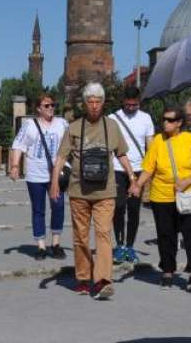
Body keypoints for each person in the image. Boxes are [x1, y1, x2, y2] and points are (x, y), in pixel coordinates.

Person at [50, 81, 135, 299]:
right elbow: (61, 156)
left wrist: (132, 177)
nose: (94, 106)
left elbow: (122, 154)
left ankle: (103, 280)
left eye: (98, 101)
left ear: (103, 103)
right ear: (85, 104)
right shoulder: (75, 127)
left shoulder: (112, 126)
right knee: (80, 236)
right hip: (79, 190)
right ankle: (82, 277)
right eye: (90, 102)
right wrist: (54, 182)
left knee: (104, 234)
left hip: (106, 191)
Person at [132, 104, 191, 292]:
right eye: (164, 119)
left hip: (188, 194)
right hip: (161, 196)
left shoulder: (190, 139)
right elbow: (149, 167)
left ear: (179, 122)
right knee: (166, 235)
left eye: (170, 120)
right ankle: (167, 272)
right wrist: (138, 185)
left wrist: (187, 180)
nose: (165, 123)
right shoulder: (158, 141)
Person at [9, 92, 69, 260]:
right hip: (35, 174)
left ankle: (56, 243)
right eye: (46, 106)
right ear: (38, 108)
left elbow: (71, 146)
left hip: (56, 174)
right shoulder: (30, 125)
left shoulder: (62, 124)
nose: (51, 108)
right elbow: (18, 145)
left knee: (58, 207)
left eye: (52, 105)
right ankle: (41, 246)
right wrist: (14, 166)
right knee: (38, 210)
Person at [108, 85, 154, 264]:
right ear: (123, 102)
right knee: (119, 207)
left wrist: (149, 171)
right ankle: (119, 245)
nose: (131, 108)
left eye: (134, 105)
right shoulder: (113, 118)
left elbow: (150, 146)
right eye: (128, 105)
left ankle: (130, 246)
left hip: (139, 169)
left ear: (139, 102)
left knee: (134, 209)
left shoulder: (146, 118)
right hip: (118, 169)